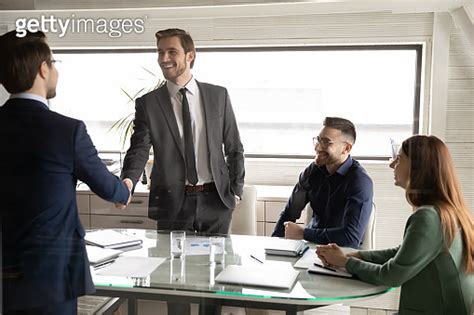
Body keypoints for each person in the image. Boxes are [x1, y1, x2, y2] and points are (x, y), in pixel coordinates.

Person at [0, 30, 131, 315]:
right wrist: (126, 188)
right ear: (43, 69)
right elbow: (110, 189)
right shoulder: (66, 131)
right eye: (54, 62)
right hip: (49, 279)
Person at [120, 28, 244, 315]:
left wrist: (235, 192)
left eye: (171, 51)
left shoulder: (218, 96)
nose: (164, 58)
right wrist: (128, 179)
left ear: (190, 55)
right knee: (173, 282)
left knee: (213, 281)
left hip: (216, 202)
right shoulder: (149, 103)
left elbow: (234, 146)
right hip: (173, 203)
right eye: (160, 52)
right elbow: (139, 148)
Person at [316, 135, 474, 314]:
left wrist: (346, 262)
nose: (392, 165)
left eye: (399, 159)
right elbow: (402, 252)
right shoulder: (445, 210)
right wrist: (357, 255)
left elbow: (391, 275)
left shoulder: (428, 217)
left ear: (417, 167)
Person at [272, 117, 373, 248]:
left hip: (343, 254)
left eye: (326, 142)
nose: (318, 147)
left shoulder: (360, 182)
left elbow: (350, 238)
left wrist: (304, 233)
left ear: (346, 149)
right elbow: (289, 213)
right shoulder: (312, 171)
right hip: (310, 249)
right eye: (318, 140)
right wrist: (273, 245)